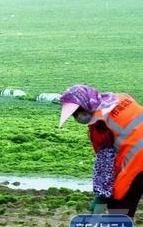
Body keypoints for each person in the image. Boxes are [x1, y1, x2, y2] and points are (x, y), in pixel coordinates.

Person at [59, 84, 143, 217]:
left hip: (138, 163)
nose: (76, 118)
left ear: (85, 105)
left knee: (118, 207)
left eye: (77, 113)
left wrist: (101, 198)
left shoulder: (99, 124)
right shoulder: (121, 99)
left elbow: (106, 165)